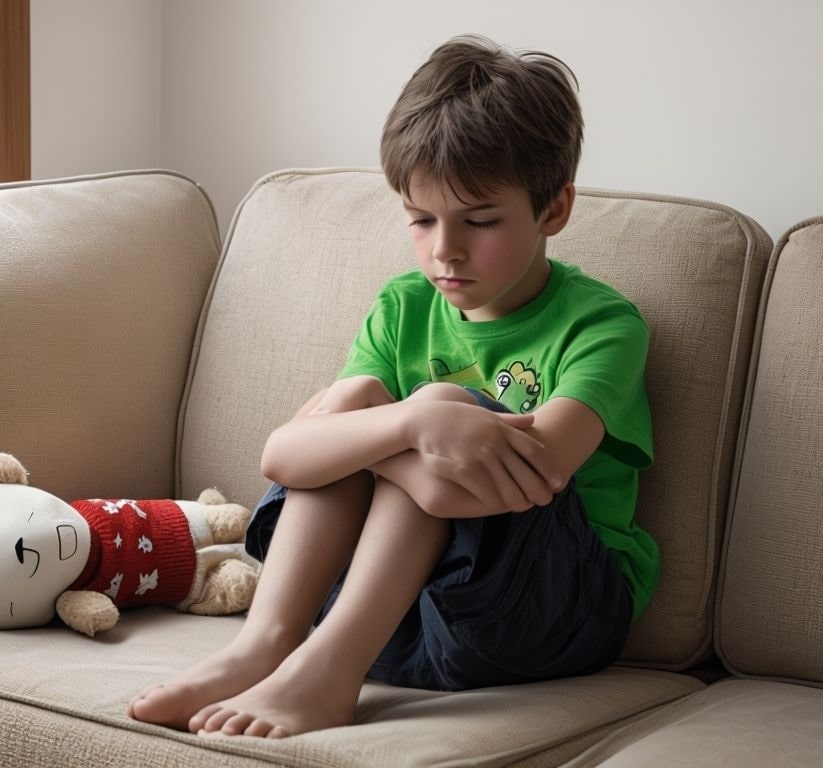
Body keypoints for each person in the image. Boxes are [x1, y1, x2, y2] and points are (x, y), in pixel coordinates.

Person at [127, 33, 658, 739]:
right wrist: (408, 429)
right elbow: (283, 458)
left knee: (429, 405)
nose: (445, 249)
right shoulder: (404, 306)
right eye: (421, 219)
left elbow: (532, 477)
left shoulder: (603, 325)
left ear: (552, 210)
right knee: (371, 406)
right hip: (403, 618)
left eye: (481, 221)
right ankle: (267, 643)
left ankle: (328, 676)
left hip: (547, 614)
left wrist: (416, 424)